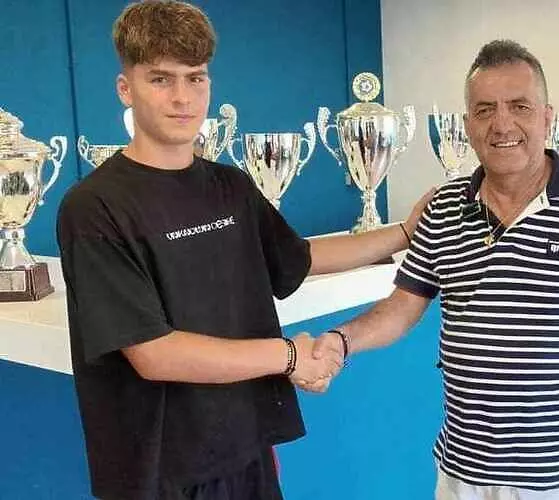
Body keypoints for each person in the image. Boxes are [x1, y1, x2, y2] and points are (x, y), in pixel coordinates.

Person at [56, 1, 432, 499]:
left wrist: (405, 232)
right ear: (126, 88)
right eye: (160, 79)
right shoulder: (94, 206)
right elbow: (154, 353)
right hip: (159, 468)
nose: (182, 97)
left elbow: (300, 257)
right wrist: (290, 355)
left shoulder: (229, 186)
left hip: (246, 445)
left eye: (195, 78)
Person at [312, 40, 559, 500]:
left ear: (547, 118)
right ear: (467, 125)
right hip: (462, 472)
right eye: (485, 110)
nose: (502, 124)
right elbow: (401, 308)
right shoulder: (444, 207)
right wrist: (342, 340)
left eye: (520, 106)